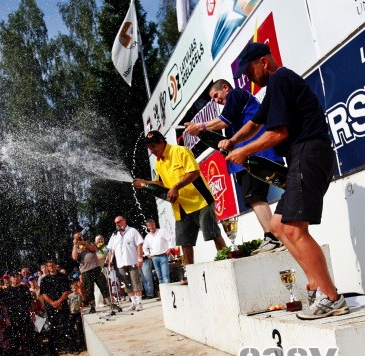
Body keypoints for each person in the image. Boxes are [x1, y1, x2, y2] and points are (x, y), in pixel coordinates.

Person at [219, 42, 348, 320]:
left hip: (308, 153)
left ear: (264, 62)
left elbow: (278, 134)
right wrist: (233, 140)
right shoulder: (276, 87)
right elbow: (255, 124)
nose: (248, 78)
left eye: (249, 71)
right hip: (303, 156)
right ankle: (315, 284)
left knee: (295, 230)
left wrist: (243, 151)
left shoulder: (280, 79)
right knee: (278, 226)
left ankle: (331, 297)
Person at [185, 78, 286, 254]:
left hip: (254, 154)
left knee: (255, 197)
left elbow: (224, 120)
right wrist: (202, 130)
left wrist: (200, 126)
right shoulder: (235, 102)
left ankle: (274, 237)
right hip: (248, 156)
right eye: (213, 99)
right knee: (256, 197)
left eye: (216, 95)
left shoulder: (236, 94)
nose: (216, 100)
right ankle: (278, 235)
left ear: (225, 88)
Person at [132, 131, 225, 265]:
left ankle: (227, 260)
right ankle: (190, 271)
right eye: (149, 148)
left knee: (213, 234)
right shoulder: (158, 162)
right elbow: (161, 183)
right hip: (180, 206)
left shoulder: (180, 151)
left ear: (161, 142)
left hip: (200, 201)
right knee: (185, 242)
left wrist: (176, 187)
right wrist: (145, 183)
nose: (151, 151)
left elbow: (194, 172)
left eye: (153, 146)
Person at [106, 216, 145, 311]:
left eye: (119, 221)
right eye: (116, 223)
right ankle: (133, 303)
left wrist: (140, 259)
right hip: (121, 264)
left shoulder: (132, 231)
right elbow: (111, 250)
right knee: (126, 284)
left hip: (132, 262)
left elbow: (139, 244)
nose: (117, 224)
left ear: (124, 221)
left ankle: (139, 303)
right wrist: (109, 263)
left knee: (136, 282)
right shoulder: (114, 235)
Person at [71, 232, 116, 314]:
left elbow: (95, 249)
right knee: (89, 290)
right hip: (85, 271)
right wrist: (75, 244)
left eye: (80, 236)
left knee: (103, 286)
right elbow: (74, 257)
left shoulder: (89, 242)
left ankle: (110, 303)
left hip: (96, 268)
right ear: (74, 239)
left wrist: (84, 243)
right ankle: (92, 307)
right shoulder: (76, 247)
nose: (79, 238)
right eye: (77, 237)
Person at [40, 260, 75, 356]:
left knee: (67, 326)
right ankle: (53, 351)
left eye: (52, 265)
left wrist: (59, 301)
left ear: (56, 266)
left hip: (62, 305)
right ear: (47, 268)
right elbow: (43, 294)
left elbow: (67, 291)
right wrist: (52, 303)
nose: (51, 267)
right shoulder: (44, 280)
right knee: (52, 328)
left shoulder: (63, 277)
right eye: (49, 266)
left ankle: (72, 348)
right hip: (50, 307)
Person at [143, 219, 175, 294]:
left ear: (154, 224)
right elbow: (144, 247)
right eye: (149, 226)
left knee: (165, 275)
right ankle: (163, 293)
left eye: (152, 225)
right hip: (154, 257)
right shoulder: (148, 236)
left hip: (163, 255)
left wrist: (169, 248)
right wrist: (147, 254)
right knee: (159, 276)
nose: (151, 227)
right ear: (147, 227)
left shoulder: (161, 231)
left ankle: (168, 292)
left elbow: (171, 238)